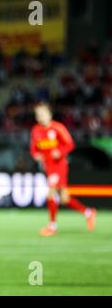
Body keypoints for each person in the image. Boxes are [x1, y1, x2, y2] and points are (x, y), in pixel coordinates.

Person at [30, 101, 97, 236]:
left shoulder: (58, 128)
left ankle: (52, 226)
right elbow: (34, 148)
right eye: (38, 114)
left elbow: (70, 144)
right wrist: (36, 155)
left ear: (49, 114)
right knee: (64, 198)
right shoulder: (36, 130)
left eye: (43, 114)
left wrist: (60, 152)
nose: (41, 117)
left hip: (59, 166)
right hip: (48, 167)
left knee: (51, 193)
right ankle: (88, 213)